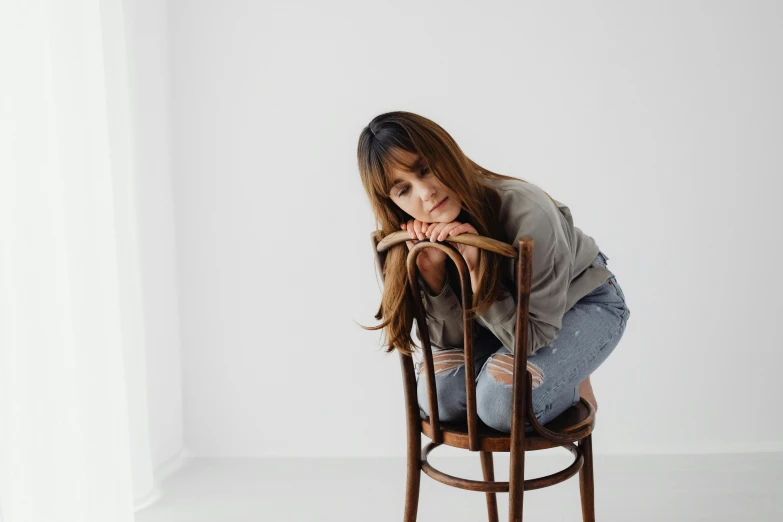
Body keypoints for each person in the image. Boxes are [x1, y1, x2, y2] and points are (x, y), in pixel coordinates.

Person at [358, 111, 631, 433]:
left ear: (448, 152)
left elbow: (531, 336)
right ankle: (528, 376)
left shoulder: (528, 210)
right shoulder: (413, 239)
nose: (426, 193)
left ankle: (572, 380)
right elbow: (450, 342)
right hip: (502, 325)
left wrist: (476, 266)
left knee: (500, 405)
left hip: (579, 303)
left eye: (426, 169)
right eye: (404, 190)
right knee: (439, 402)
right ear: (391, 202)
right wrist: (434, 278)